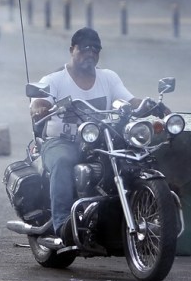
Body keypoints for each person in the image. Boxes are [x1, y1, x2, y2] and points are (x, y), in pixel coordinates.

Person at [29, 27, 143, 244]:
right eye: (84, 49)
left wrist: (152, 106)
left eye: (95, 49)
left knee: (133, 160)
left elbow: (129, 100)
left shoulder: (108, 77)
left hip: (100, 141)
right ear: (72, 49)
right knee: (62, 162)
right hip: (62, 141)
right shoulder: (55, 80)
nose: (90, 53)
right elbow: (38, 102)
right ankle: (61, 224)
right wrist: (40, 107)